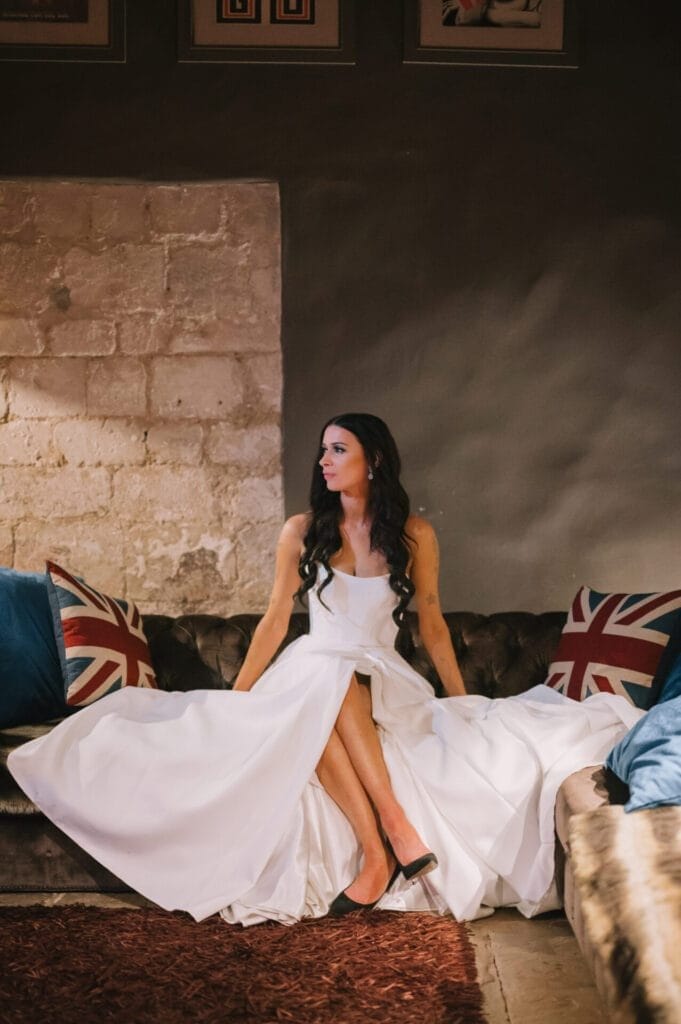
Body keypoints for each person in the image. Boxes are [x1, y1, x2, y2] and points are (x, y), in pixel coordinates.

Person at [8, 413, 641, 927]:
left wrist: (460, 699)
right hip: (311, 674)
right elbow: (276, 621)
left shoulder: (414, 535)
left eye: (339, 450)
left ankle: (384, 841)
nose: (324, 461)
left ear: (376, 461)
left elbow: (433, 623)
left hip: (384, 680)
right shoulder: (303, 531)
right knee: (323, 664)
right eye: (322, 452)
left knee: (337, 670)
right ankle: (388, 838)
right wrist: (241, 694)